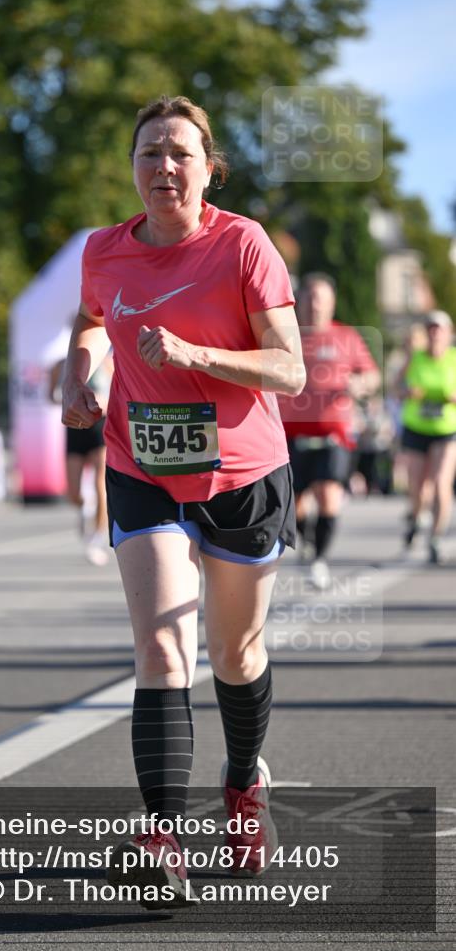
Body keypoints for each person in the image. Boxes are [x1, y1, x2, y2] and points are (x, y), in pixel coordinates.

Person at [61, 95, 305, 907]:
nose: (162, 167)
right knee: (163, 652)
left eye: (178, 153)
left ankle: (243, 784)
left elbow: (289, 370)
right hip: (141, 468)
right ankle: (159, 838)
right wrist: (77, 374)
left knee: (235, 656)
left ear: (208, 167)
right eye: (147, 153)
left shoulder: (242, 244)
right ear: (130, 167)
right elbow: (92, 318)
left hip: (241, 475)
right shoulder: (104, 250)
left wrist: (198, 353)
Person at [278, 273, 380, 589]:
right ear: (299, 301)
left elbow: (372, 375)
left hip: (333, 434)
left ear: (332, 302)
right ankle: (307, 542)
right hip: (289, 434)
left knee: (329, 497)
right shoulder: (284, 335)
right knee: (295, 505)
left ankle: (318, 559)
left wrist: (361, 384)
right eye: (309, 297)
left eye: (321, 297)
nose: (315, 304)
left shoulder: (347, 337)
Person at [396, 310, 456, 564]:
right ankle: (416, 517)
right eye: (430, 329)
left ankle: (435, 536)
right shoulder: (414, 358)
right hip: (416, 428)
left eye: (439, 329)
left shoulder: (454, 359)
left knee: (442, 483)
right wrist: (408, 391)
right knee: (419, 488)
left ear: (448, 334)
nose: (434, 334)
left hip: (446, 430)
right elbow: (396, 388)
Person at [49, 350, 113, 565]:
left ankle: (98, 538)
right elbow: (50, 395)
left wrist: (103, 401)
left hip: (99, 425)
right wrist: (63, 397)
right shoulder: (61, 364)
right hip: (75, 426)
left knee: (100, 483)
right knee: (73, 492)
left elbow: (118, 395)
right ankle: (86, 510)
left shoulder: (107, 362)